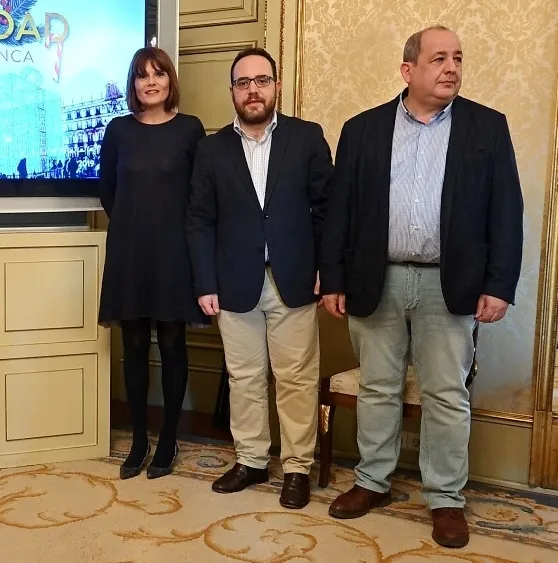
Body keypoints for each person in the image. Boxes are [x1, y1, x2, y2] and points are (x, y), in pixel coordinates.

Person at [319, 26, 523, 549]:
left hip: (449, 283)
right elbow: (340, 212)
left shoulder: (487, 127)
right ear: (408, 70)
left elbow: (506, 211)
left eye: (458, 57)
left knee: (447, 394)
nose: (452, 67)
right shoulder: (362, 129)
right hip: (376, 277)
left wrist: (499, 284)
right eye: (439, 59)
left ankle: (446, 497)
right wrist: (333, 278)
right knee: (377, 387)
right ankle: (372, 481)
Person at [186, 47, 334, 509]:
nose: (253, 90)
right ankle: (250, 461)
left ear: (276, 86)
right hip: (234, 282)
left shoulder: (307, 137)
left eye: (262, 80)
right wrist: (205, 282)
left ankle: (296, 468)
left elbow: (327, 211)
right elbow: (200, 219)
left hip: (294, 279)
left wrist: (327, 271)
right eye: (243, 82)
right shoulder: (211, 149)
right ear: (232, 90)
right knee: (244, 377)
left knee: (296, 379)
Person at [98, 46, 208, 480]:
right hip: (130, 253)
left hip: (175, 254)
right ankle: (140, 440)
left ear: (169, 81)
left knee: (174, 344)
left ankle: (167, 441)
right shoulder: (118, 130)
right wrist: (135, 224)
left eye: (158, 74)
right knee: (134, 347)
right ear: (134, 84)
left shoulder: (190, 129)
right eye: (142, 75)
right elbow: (108, 191)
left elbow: (200, 195)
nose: (151, 82)